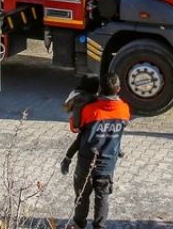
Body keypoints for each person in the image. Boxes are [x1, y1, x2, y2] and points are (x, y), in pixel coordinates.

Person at [65, 73, 130, 229]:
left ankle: (79, 224)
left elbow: (75, 128)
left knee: (82, 195)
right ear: (118, 89)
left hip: (87, 161)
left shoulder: (90, 110)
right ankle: (100, 226)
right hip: (108, 163)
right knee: (102, 196)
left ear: (100, 89)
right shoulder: (124, 110)